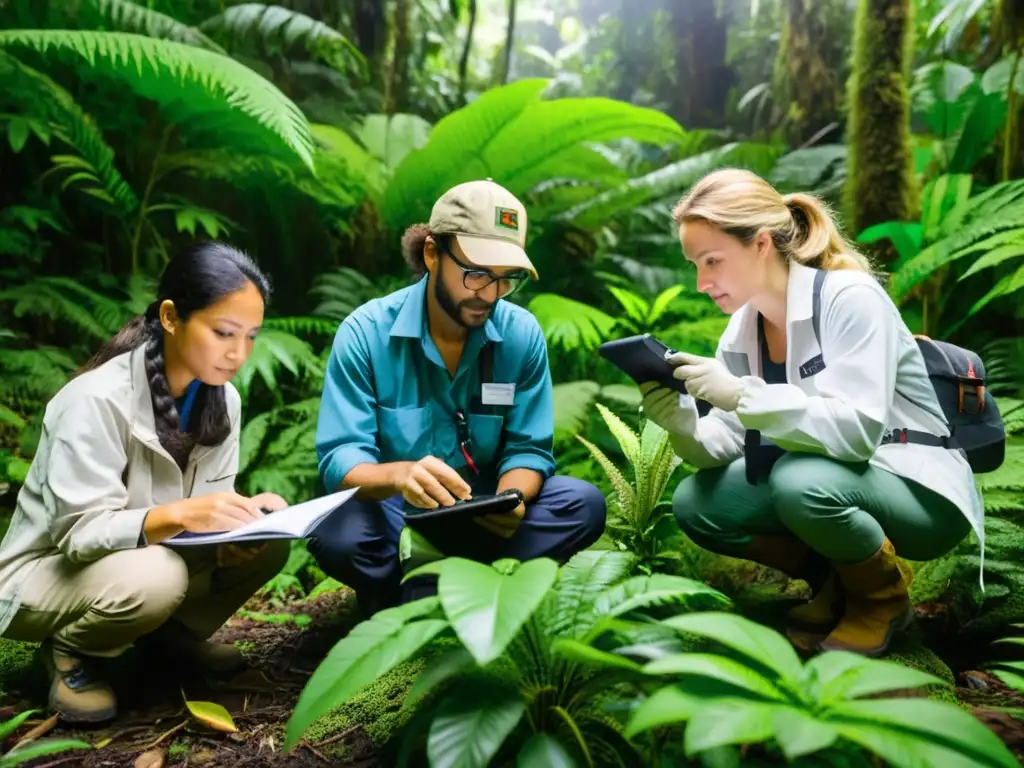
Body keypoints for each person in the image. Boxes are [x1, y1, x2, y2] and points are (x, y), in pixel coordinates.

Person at [640, 168, 982, 657]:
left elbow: (859, 432)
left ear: (760, 244)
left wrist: (740, 394)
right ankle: (834, 582)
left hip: (919, 491)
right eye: (695, 264)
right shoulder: (742, 329)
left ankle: (880, 599)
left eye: (711, 261)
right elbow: (727, 444)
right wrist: (682, 424)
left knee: (799, 479)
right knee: (699, 503)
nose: (701, 282)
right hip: (839, 481)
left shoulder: (850, 298)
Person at [0, 243, 290, 724]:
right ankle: (70, 653)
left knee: (271, 539)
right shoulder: (94, 400)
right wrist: (181, 515)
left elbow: (206, 508)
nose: (239, 353)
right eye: (223, 333)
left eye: (251, 337)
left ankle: (168, 640)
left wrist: (240, 526)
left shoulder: (224, 401)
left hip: (144, 561)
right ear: (172, 317)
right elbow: (79, 535)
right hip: (44, 576)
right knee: (160, 575)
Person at [308, 179, 607, 615]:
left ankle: (424, 584)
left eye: (507, 280)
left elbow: (529, 450)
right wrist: (400, 475)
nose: (489, 293)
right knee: (334, 529)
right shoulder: (366, 333)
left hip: (485, 513)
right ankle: (458, 582)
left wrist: (513, 501)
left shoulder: (521, 335)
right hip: (399, 514)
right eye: (477, 274)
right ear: (432, 254)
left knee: (582, 504)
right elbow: (341, 459)